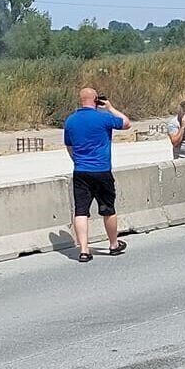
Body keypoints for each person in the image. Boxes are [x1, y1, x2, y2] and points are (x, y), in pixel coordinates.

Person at [63, 88, 132, 262]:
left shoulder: (70, 121)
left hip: (81, 171)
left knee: (81, 211)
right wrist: (110, 107)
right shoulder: (104, 118)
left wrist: (77, 161)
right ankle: (113, 244)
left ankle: (84, 250)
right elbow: (126, 123)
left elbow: (69, 146)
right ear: (96, 100)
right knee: (108, 209)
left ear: (80, 100)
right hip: (102, 170)